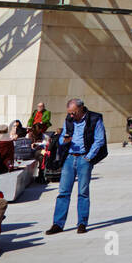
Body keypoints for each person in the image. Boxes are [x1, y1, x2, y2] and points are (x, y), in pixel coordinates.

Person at [45, 98, 106, 235]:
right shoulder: (69, 120)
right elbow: (61, 139)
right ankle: (58, 224)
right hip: (70, 157)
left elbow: (99, 139)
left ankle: (82, 223)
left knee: (83, 192)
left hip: (84, 157)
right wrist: (64, 140)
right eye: (70, 113)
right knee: (63, 192)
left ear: (81, 108)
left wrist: (88, 157)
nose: (71, 116)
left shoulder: (94, 119)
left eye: (74, 113)